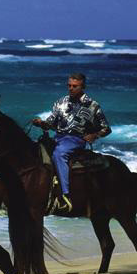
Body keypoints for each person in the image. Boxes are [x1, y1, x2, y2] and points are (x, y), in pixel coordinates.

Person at [32, 72, 111, 214]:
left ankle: (64, 195)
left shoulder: (93, 106)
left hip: (76, 140)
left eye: (75, 86)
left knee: (59, 154)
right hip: (58, 137)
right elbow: (50, 123)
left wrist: (95, 135)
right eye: (69, 85)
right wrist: (41, 123)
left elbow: (106, 128)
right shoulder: (60, 102)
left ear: (83, 87)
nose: (71, 88)